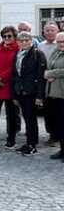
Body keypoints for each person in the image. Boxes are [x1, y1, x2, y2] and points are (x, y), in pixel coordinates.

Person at [11, 31, 46, 155]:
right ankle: (28, 142)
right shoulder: (17, 54)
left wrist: (40, 96)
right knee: (26, 117)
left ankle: (32, 145)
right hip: (20, 91)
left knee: (31, 119)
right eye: (21, 40)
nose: (24, 42)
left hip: (32, 92)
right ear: (18, 42)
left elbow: (41, 76)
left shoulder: (37, 54)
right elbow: (14, 75)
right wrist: (14, 95)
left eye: (27, 40)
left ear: (31, 41)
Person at [38, 21, 60, 146]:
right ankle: (52, 134)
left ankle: (58, 135)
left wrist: (51, 74)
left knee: (58, 110)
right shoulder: (40, 46)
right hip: (44, 81)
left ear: (57, 31)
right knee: (48, 110)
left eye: (52, 30)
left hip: (58, 81)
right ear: (44, 32)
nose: (50, 32)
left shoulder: (60, 44)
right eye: (47, 30)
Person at [45, 31, 64, 162]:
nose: (61, 44)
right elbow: (47, 67)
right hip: (54, 93)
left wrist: (50, 74)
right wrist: (48, 73)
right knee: (59, 124)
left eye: (63, 41)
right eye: (59, 42)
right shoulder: (55, 52)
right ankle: (62, 149)